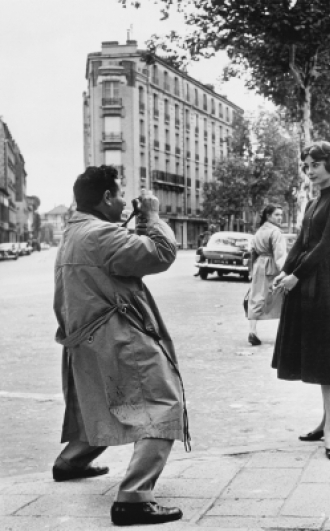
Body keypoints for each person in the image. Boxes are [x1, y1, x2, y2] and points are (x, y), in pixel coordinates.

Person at [53, 166, 190, 526]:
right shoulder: (102, 234)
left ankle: (71, 462)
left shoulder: (76, 229)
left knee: (98, 401)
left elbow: (126, 256)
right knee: (161, 404)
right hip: (118, 337)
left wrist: (137, 221)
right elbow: (161, 254)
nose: (122, 197)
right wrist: (152, 214)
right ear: (107, 198)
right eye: (119, 191)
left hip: (86, 338)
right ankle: (134, 498)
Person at [272, 141, 330, 461]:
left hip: (328, 282)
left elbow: (329, 244)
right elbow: (301, 241)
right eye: (306, 166)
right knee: (318, 355)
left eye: (315, 165)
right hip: (310, 280)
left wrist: (295, 276)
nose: (309, 171)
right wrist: (283, 272)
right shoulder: (314, 201)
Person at [247, 204, 287, 346]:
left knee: (256, 297)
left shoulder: (259, 231)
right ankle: (284, 334)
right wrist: (285, 271)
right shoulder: (275, 232)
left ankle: (252, 331)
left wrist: (251, 269)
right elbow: (280, 253)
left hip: (259, 265)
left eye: (281, 215)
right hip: (271, 266)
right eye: (277, 215)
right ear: (268, 216)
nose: (280, 218)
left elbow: (252, 251)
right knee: (281, 297)